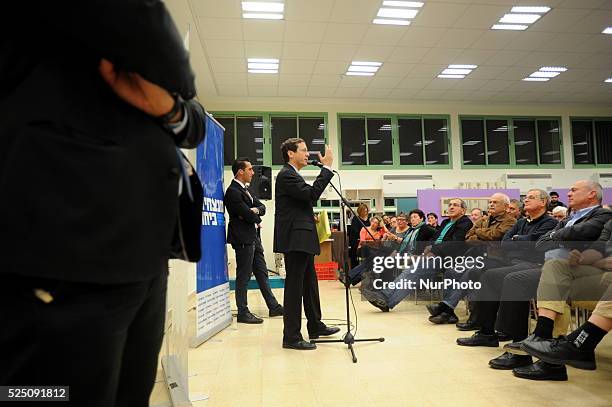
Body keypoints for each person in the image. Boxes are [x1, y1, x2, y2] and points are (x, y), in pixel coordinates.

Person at [0, 2, 206, 405]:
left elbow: (192, 118)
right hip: (66, 235)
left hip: (143, 250)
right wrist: (175, 89)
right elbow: (167, 59)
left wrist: (171, 106)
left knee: (131, 392)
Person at [273, 138, 340, 350]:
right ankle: (291, 336)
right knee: (295, 287)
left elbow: (299, 204)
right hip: (296, 239)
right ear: (290, 154)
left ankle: (315, 325)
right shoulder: (287, 174)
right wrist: (327, 167)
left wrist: (309, 217)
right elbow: (311, 195)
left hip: (302, 236)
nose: (308, 154)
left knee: (309, 284)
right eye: (303, 150)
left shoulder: (293, 175)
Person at [364, 199, 473, 313]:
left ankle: (385, 298)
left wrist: (432, 249)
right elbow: (434, 238)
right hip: (434, 255)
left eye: (455, 205)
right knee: (410, 272)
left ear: (463, 210)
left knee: (413, 271)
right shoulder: (446, 222)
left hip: (448, 258)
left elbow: (455, 244)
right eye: (450, 205)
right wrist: (428, 248)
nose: (451, 207)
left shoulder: (465, 223)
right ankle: (385, 299)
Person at [428, 193, 517, 324]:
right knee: (451, 272)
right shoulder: (485, 219)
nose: (491, 204)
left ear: (505, 206)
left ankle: (446, 308)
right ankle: (449, 312)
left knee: (469, 272)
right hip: (477, 256)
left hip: (496, 258)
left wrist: (480, 233)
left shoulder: (510, 221)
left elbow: (496, 235)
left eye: (495, 202)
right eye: (490, 202)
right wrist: (484, 237)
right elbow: (468, 238)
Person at [224, 158, 283, 324]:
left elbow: (260, 209)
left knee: (262, 273)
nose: (252, 172)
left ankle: (273, 306)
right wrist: (253, 215)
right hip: (242, 238)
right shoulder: (232, 192)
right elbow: (248, 215)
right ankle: (243, 312)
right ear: (240, 171)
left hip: (253, 237)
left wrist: (254, 211)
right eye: (249, 169)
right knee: (243, 276)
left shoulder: (247, 190)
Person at [348, 203, 370, 268]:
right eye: (363, 211)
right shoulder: (356, 219)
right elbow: (355, 231)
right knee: (355, 258)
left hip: (367, 241)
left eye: (366, 211)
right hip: (356, 241)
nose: (365, 213)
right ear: (360, 211)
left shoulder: (369, 219)